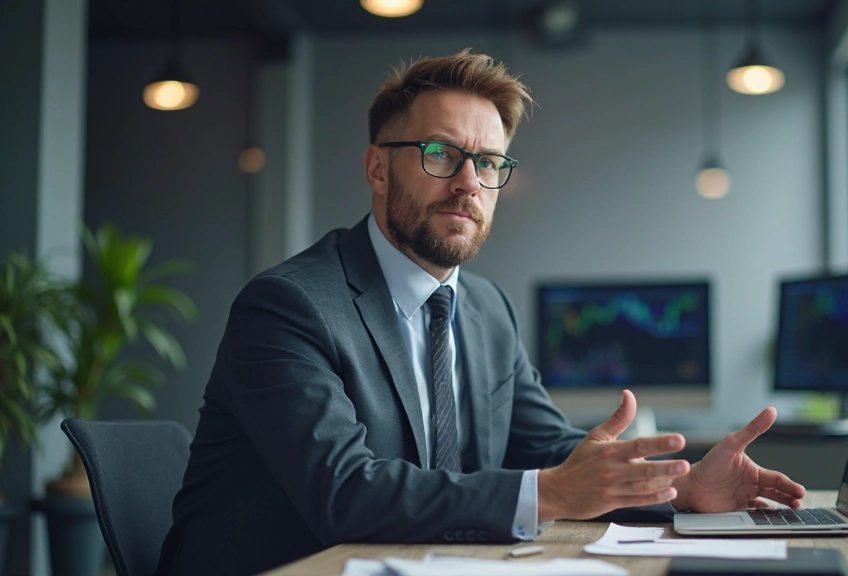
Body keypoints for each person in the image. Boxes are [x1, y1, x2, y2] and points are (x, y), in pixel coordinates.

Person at [155, 49, 805, 576]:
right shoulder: (290, 307)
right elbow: (345, 492)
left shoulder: (486, 309)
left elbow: (554, 452)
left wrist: (681, 488)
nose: (469, 182)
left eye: (489, 162)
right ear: (377, 168)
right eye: (441, 154)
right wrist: (549, 493)